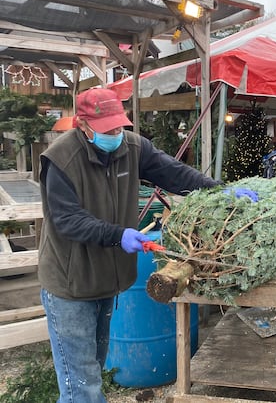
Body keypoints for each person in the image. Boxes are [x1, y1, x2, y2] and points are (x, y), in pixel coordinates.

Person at [38, 88, 223, 402]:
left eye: (119, 126)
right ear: (82, 125)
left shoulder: (132, 147)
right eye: (106, 129)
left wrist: (218, 191)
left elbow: (174, 174)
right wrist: (118, 235)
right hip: (70, 284)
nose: (115, 134)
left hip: (107, 281)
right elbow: (67, 220)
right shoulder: (61, 159)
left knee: (92, 369)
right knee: (81, 384)